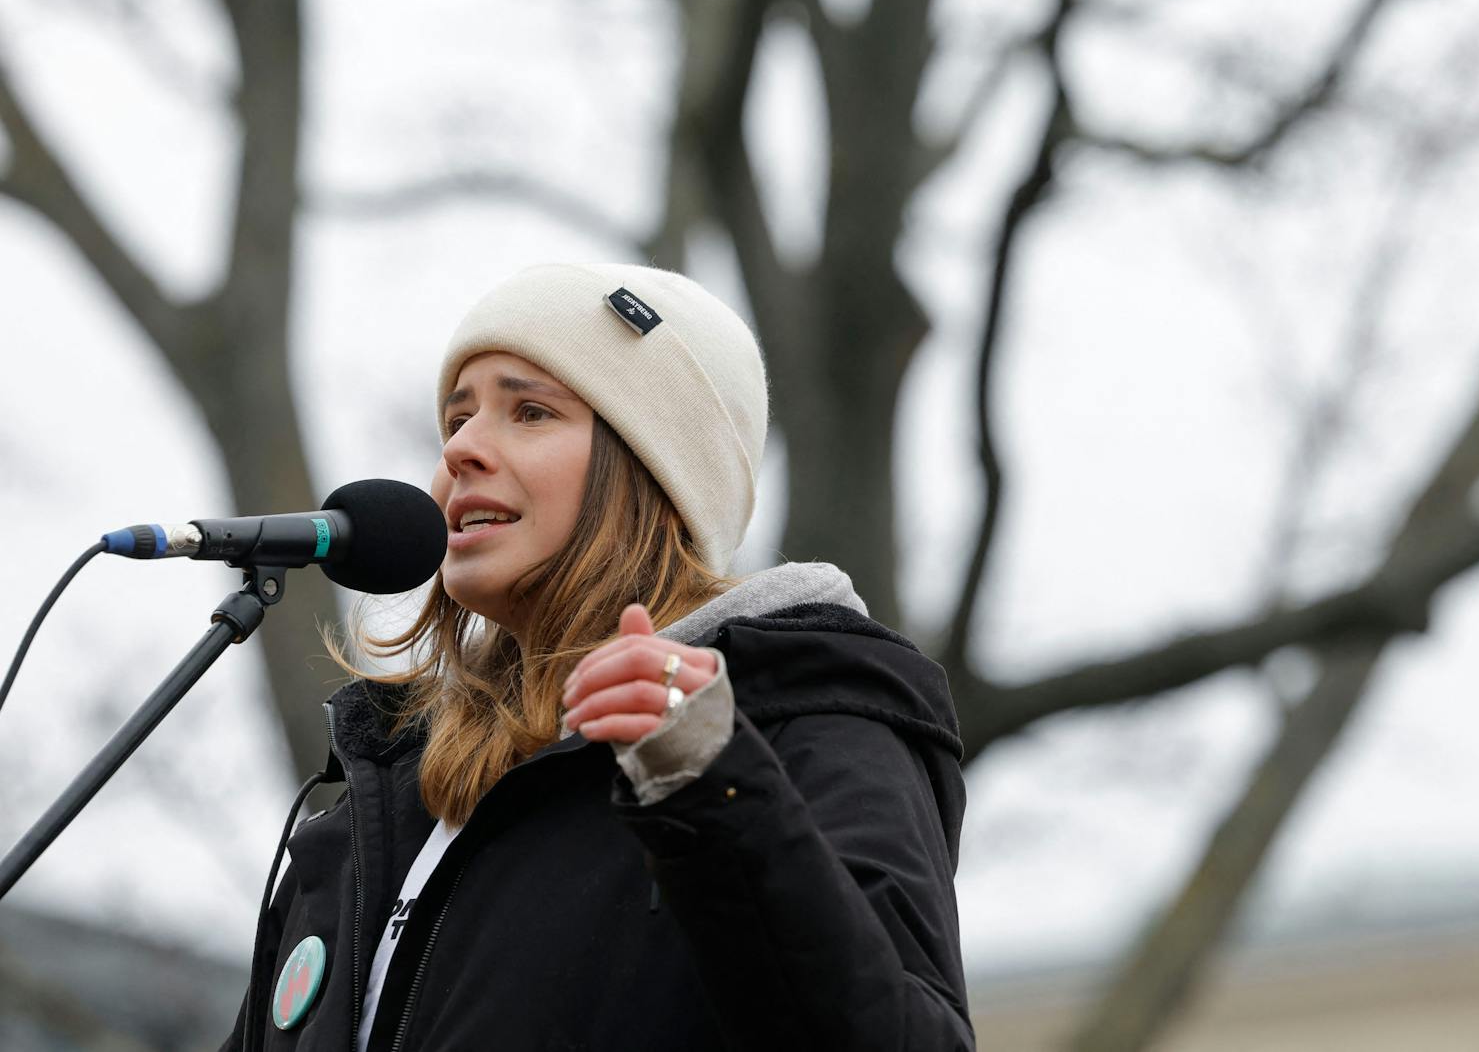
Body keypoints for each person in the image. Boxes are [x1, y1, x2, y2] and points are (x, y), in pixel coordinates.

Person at [221, 263, 974, 1051]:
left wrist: (707, 780)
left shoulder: (802, 727)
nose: (462, 450)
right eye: (457, 418)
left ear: (656, 468)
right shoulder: (373, 806)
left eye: (532, 411)